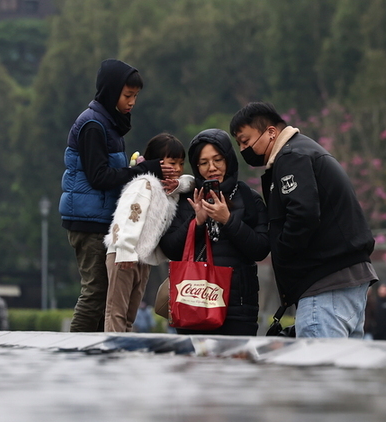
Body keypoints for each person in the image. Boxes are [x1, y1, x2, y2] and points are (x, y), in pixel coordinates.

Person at [230, 102, 378, 338]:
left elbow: (303, 215)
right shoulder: (305, 150)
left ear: (271, 132)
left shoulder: (291, 156)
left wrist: (285, 255)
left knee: (319, 371)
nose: (243, 148)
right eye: (239, 144)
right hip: (348, 280)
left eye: (246, 141)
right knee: (341, 371)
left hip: (325, 284)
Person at [59, 59, 175, 332]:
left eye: (135, 96)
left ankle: (97, 355)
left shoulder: (109, 124)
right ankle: (75, 351)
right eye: (127, 95)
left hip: (102, 220)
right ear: (111, 92)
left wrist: (135, 171)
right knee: (96, 293)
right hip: (88, 223)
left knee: (107, 297)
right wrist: (144, 170)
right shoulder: (93, 126)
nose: (132, 102)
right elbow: (98, 177)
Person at [160, 128, 270, 336]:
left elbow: (261, 249)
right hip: (193, 305)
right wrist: (197, 221)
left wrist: (227, 220)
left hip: (238, 311)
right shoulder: (187, 200)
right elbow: (170, 249)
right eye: (203, 163)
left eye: (218, 159)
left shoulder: (249, 198)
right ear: (196, 166)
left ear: (229, 159)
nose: (212, 168)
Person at [103, 133, 194, 332]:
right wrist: (125, 250)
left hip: (143, 259)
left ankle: (122, 351)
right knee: (116, 311)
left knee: (130, 315)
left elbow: (192, 181)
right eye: (172, 162)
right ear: (157, 163)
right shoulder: (143, 184)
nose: (177, 169)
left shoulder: (168, 188)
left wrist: (178, 184)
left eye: (181, 163)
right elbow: (125, 218)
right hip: (124, 255)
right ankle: (112, 353)